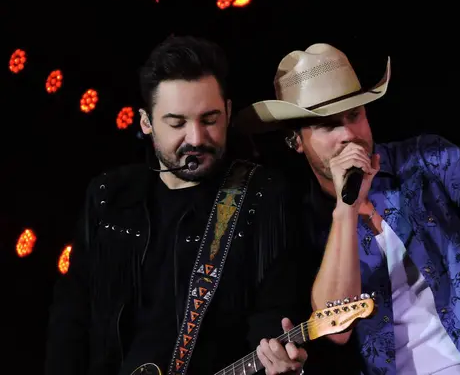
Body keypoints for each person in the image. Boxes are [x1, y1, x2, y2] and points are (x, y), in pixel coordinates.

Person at [233, 43, 460, 374]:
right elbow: (337, 328)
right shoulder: (299, 222)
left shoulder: (422, 158)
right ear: (296, 141)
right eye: (329, 125)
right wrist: (346, 208)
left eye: (355, 115)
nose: (349, 134)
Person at [44, 35, 308, 375]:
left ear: (228, 111)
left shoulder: (263, 194)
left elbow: (273, 316)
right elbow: (71, 318)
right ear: (146, 122)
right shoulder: (109, 195)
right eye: (177, 123)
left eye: (209, 119)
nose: (196, 138)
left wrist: (280, 361)